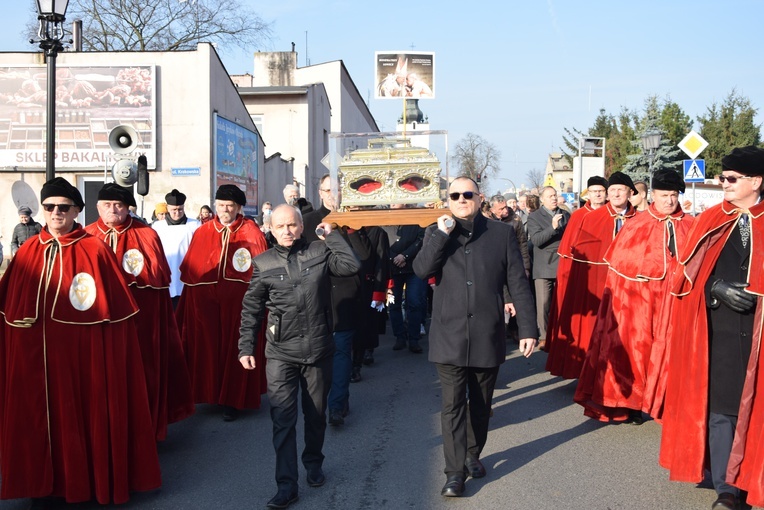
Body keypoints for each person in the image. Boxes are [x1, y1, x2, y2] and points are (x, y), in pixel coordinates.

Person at [0, 177, 160, 504]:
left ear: (76, 211)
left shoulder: (94, 249)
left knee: (81, 422)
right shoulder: (28, 250)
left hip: (81, 361)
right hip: (33, 363)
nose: (56, 213)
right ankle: (38, 485)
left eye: (63, 207)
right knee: (34, 421)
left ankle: (84, 484)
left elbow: (114, 320)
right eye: (50, 207)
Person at [413, 177, 536, 498]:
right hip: (449, 333)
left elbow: (518, 281)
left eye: (467, 194)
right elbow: (421, 269)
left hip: (487, 330)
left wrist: (528, 328)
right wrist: (442, 234)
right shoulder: (435, 232)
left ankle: (472, 453)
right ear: (448, 200)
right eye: (455, 195)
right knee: (452, 404)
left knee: (480, 404)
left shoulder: (501, 233)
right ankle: (454, 473)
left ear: (479, 198)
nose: (462, 199)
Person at [659, 146, 764, 510]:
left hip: (758, 335)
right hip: (717, 330)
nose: (724, 183)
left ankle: (753, 480)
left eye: (732, 178)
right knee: (722, 411)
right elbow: (684, 276)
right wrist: (715, 288)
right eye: (722, 177)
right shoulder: (711, 219)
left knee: (756, 410)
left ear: (757, 181)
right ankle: (727, 489)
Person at [238, 204, 360, 509]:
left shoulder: (319, 252)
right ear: (271, 230)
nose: (287, 231)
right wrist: (245, 347)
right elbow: (251, 309)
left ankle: (313, 462)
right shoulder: (263, 263)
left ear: (301, 226)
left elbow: (351, 266)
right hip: (280, 353)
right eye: (280, 227)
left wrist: (331, 237)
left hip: (318, 349)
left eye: (291, 225)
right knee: (282, 419)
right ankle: (286, 485)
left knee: (316, 414)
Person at [573, 169, 694, 424]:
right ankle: (633, 404)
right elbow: (619, 274)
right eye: (664, 195)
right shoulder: (636, 224)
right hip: (639, 306)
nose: (669, 201)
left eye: (673, 195)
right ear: (653, 195)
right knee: (637, 355)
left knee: (674, 354)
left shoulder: (691, 225)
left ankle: (667, 402)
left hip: (675, 305)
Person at [85, 182, 195, 440]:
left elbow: (157, 286)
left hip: (140, 326)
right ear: (98, 207)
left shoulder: (146, 235)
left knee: (141, 377)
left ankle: (144, 432)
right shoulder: (87, 236)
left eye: (119, 205)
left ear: (128, 208)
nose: (113, 210)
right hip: (98, 323)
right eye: (107, 205)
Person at [176, 185, 268, 422]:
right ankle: (209, 392)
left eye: (230, 206)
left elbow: (260, 273)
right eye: (221, 205)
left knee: (234, 347)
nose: (225, 210)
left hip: (238, 305)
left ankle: (233, 400)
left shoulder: (252, 232)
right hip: (206, 303)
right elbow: (192, 272)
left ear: (238, 208)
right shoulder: (203, 231)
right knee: (207, 347)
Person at [545, 172, 637, 379]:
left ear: (630, 193)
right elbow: (575, 258)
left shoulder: (639, 219)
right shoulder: (587, 218)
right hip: (597, 286)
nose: (614, 194)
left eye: (619, 190)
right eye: (611, 190)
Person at [543, 176, 608, 354]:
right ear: (588, 194)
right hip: (584, 273)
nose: (597, 195)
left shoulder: (614, 214)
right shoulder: (579, 216)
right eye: (594, 192)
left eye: (601, 191)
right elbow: (568, 251)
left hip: (607, 272)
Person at [527, 186, 570, 349]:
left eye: (555, 195)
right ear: (542, 199)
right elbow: (537, 240)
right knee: (544, 303)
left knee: (562, 301)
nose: (553, 198)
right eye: (550, 196)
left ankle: (562, 333)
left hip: (563, 264)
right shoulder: (534, 217)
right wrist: (552, 227)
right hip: (544, 265)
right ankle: (544, 336)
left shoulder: (565, 214)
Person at [383, 203, 428, 353]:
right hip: (392, 269)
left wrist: (405, 256)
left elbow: (420, 239)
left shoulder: (415, 216)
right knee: (394, 304)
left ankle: (414, 338)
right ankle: (399, 337)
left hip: (413, 267)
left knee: (414, 302)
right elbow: (381, 243)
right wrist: (393, 257)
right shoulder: (384, 218)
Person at [152, 189, 200, 306]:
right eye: (174, 210)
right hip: (166, 272)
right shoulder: (158, 227)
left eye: (180, 210)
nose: (177, 213)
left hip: (187, 273)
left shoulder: (195, 225)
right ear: (167, 208)